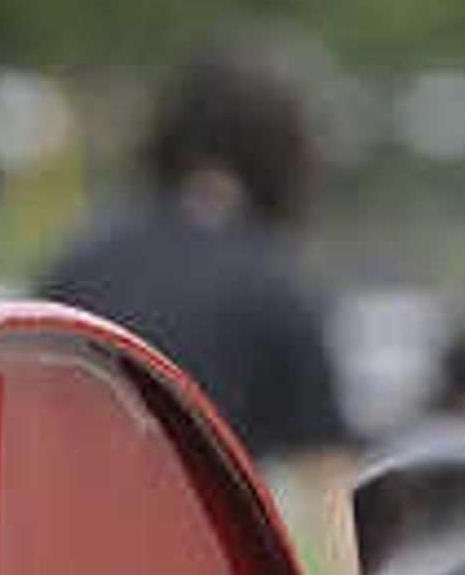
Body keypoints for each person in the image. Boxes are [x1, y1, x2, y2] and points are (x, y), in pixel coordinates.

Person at [35, 48, 353, 476]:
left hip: (69, 526)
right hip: (200, 539)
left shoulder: (77, 263)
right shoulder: (277, 288)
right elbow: (326, 477)